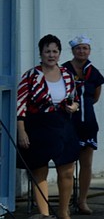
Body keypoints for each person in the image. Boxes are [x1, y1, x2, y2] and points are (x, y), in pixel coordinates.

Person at [16, 34, 80, 219]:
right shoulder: (30, 76)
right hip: (37, 126)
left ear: (59, 54)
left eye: (55, 51)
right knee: (39, 171)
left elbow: (75, 99)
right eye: (47, 51)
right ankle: (44, 214)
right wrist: (22, 131)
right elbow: (20, 104)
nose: (51, 55)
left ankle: (63, 211)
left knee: (67, 170)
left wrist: (74, 107)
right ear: (40, 53)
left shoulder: (67, 75)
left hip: (63, 125)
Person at [62, 35, 104, 215]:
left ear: (89, 51)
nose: (82, 51)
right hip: (68, 123)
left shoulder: (94, 72)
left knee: (86, 164)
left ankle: (82, 201)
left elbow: (95, 97)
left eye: (85, 48)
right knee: (67, 164)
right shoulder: (63, 69)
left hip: (88, 122)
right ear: (73, 50)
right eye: (79, 48)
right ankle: (65, 202)